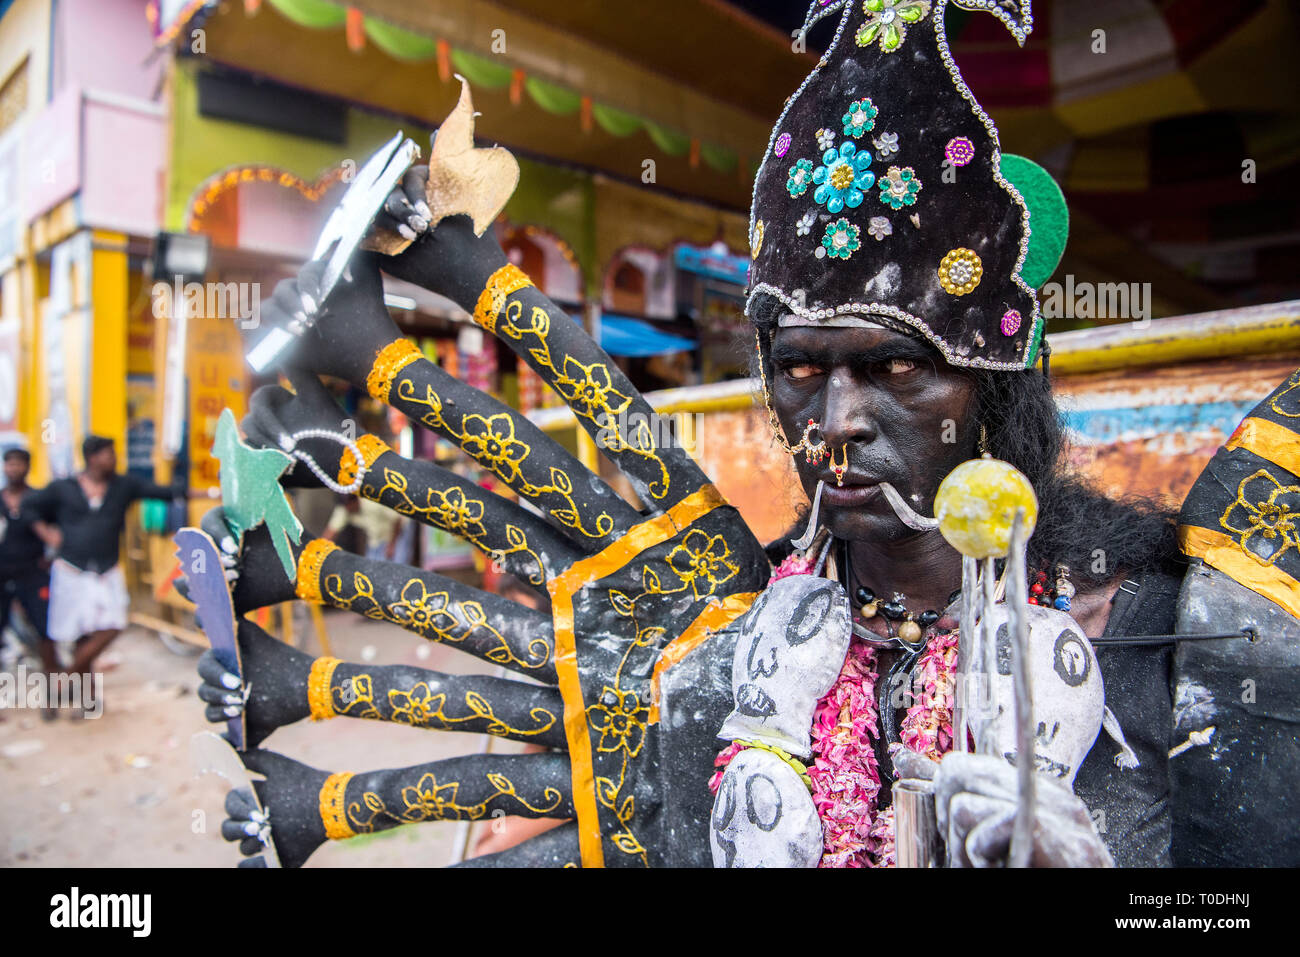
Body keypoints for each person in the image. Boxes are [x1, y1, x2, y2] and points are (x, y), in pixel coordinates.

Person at [187, 0, 1296, 868]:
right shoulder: (727, 637)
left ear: (994, 391)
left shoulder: (1157, 637)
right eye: (802, 372)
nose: (837, 422)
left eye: (894, 367)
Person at [25, 435, 178, 675]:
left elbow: (168, 492)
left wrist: (217, 492)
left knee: (113, 625)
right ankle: (85, 698)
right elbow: (29, 506)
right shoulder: (63, 488)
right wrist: (46, 532)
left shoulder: (123, 486)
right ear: (93, 458)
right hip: (71, 569)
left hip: (107, 569)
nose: (114, 459)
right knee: (79, 635)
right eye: (109, 454)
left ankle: (67, 676)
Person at [1, 447, 60, 715]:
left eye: (18, 464)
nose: (13, 469)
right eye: (9, 464)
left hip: (33, 573)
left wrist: (50, 557)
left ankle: (52, 695)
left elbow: (57, 530)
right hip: (3, 574)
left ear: (27, 466)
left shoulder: (38, 499)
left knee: (45, 632)